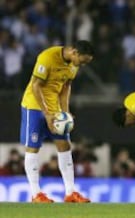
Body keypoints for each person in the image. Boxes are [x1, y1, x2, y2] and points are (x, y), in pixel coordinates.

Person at [20, 40, 94, 203]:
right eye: (82, 61)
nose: (81, 65)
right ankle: (36, 194)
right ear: (74, 53)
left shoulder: (73, 66)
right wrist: (46, 114)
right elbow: (36, 86)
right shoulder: (47, 57)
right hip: (33, 106)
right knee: (32, 148)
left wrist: (65, 111)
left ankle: (70, 193)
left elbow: (65, 87)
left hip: (54, 110)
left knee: (65, 146)